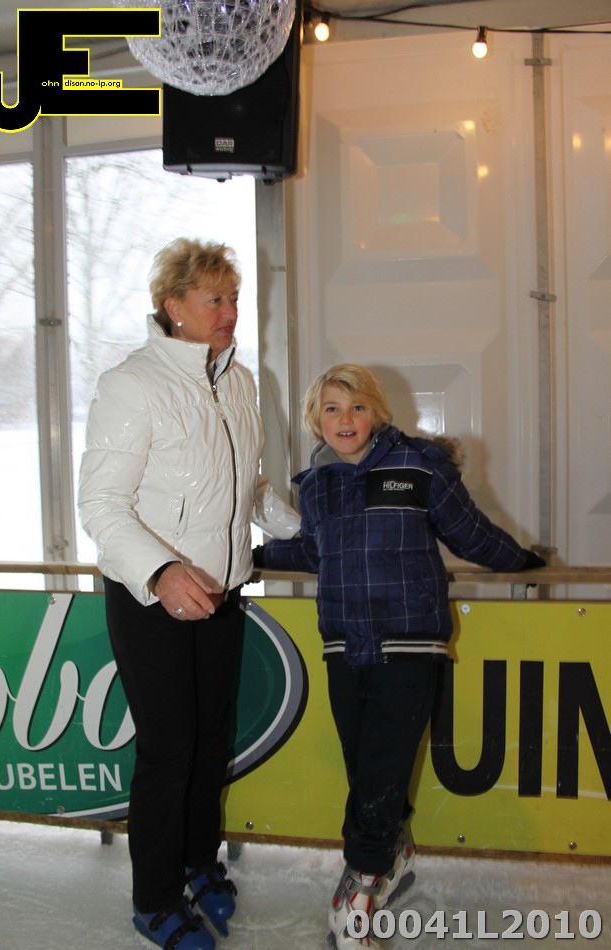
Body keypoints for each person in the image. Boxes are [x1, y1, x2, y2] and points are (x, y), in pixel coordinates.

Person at [252, 364, 546, 950]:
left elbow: (468, 533)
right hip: (343, 645)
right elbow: (314, 551)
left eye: (357, 407)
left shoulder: (417, 466)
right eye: (332, 408)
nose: (345, 419)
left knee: (381, 769)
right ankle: (396, 852)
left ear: (377, 413)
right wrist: (250, 558)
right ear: (316, 419)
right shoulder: (316, 484)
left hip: (409, 645)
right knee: (366, 769)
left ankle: (357, 895)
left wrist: (521, 560)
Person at [78, 237, 300, 950]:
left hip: (222, 592)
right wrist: (161, 572)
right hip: (152, 599)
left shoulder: (238, 381)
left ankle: (199, 862)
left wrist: (303, 526)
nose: (229, 311)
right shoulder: (131, 385)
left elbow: (245, 486)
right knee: (169, 751)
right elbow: (101, 504)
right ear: (173, 306)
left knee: (210, 743)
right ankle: (153, 899)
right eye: (214, 299)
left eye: (234, 297)